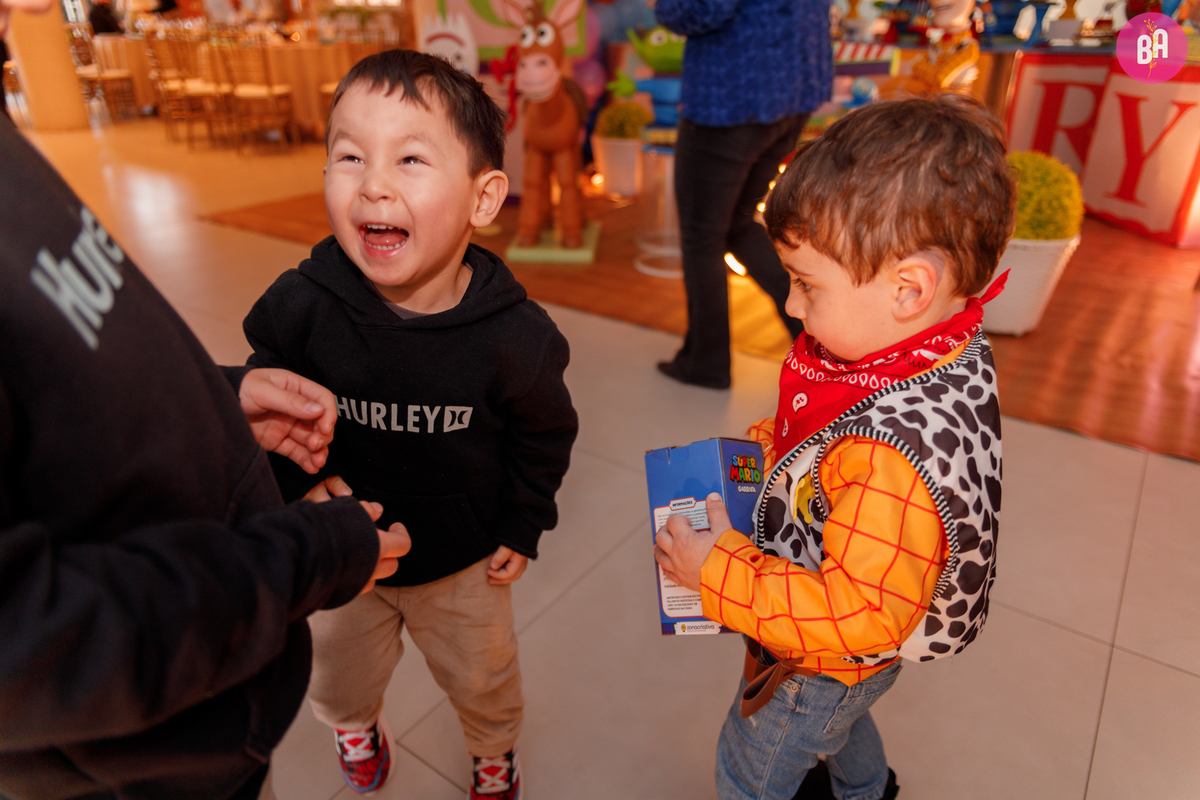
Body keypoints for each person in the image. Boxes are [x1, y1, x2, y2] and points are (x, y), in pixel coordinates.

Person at [0, 4, 412, 798]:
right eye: (351, 156)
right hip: (152, 758)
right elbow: (42, 643)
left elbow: (65, 366)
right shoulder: (304, 299)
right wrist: (315, 555)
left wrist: (219, 398)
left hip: (224, 696)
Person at [653, 95, 1016, 800]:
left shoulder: (888, 461)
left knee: (752, 764)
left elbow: (854, 616)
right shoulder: (935, 344)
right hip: (852, 665)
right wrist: (771, 451)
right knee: (844, 720)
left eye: (806, 285)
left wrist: (716, 573)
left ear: (909, 288)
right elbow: (832, 431)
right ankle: (865, 789)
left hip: (817, 663)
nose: (790, 306)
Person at [242, 50, 578, 799]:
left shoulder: (517, 339)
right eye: (350, 154)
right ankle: (356, 727)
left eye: (412, 158)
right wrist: (296, 491)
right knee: (335, 677)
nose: (373, 183)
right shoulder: (302, 304)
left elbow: (543, 438)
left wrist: (522, 526)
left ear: (483, 198)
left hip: (462, 563)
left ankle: (494, 752)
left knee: (485, 679)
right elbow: (270, 400)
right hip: (344, 554)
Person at [653, 0, 831, 389]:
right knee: (736, 224)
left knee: (703, 236)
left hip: (733, 97)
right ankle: (821, 344)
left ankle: (706, 362)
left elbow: (700, 9)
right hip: (793, 86)